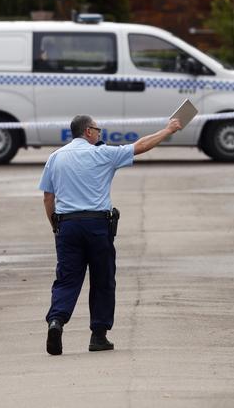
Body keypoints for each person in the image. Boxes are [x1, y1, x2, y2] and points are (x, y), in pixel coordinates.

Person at [39, 115, 182, 355]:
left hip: (68, 225)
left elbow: (48, 197)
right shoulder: (103, 154)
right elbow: (141, 146)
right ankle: (98, 335)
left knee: (66, 279)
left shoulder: (55, 158)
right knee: (103, 279)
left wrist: (56, 226)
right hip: (97, 226)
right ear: (87, 132)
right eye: (97, 129)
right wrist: (167, 130)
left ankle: (56, 322)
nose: (100, 133)